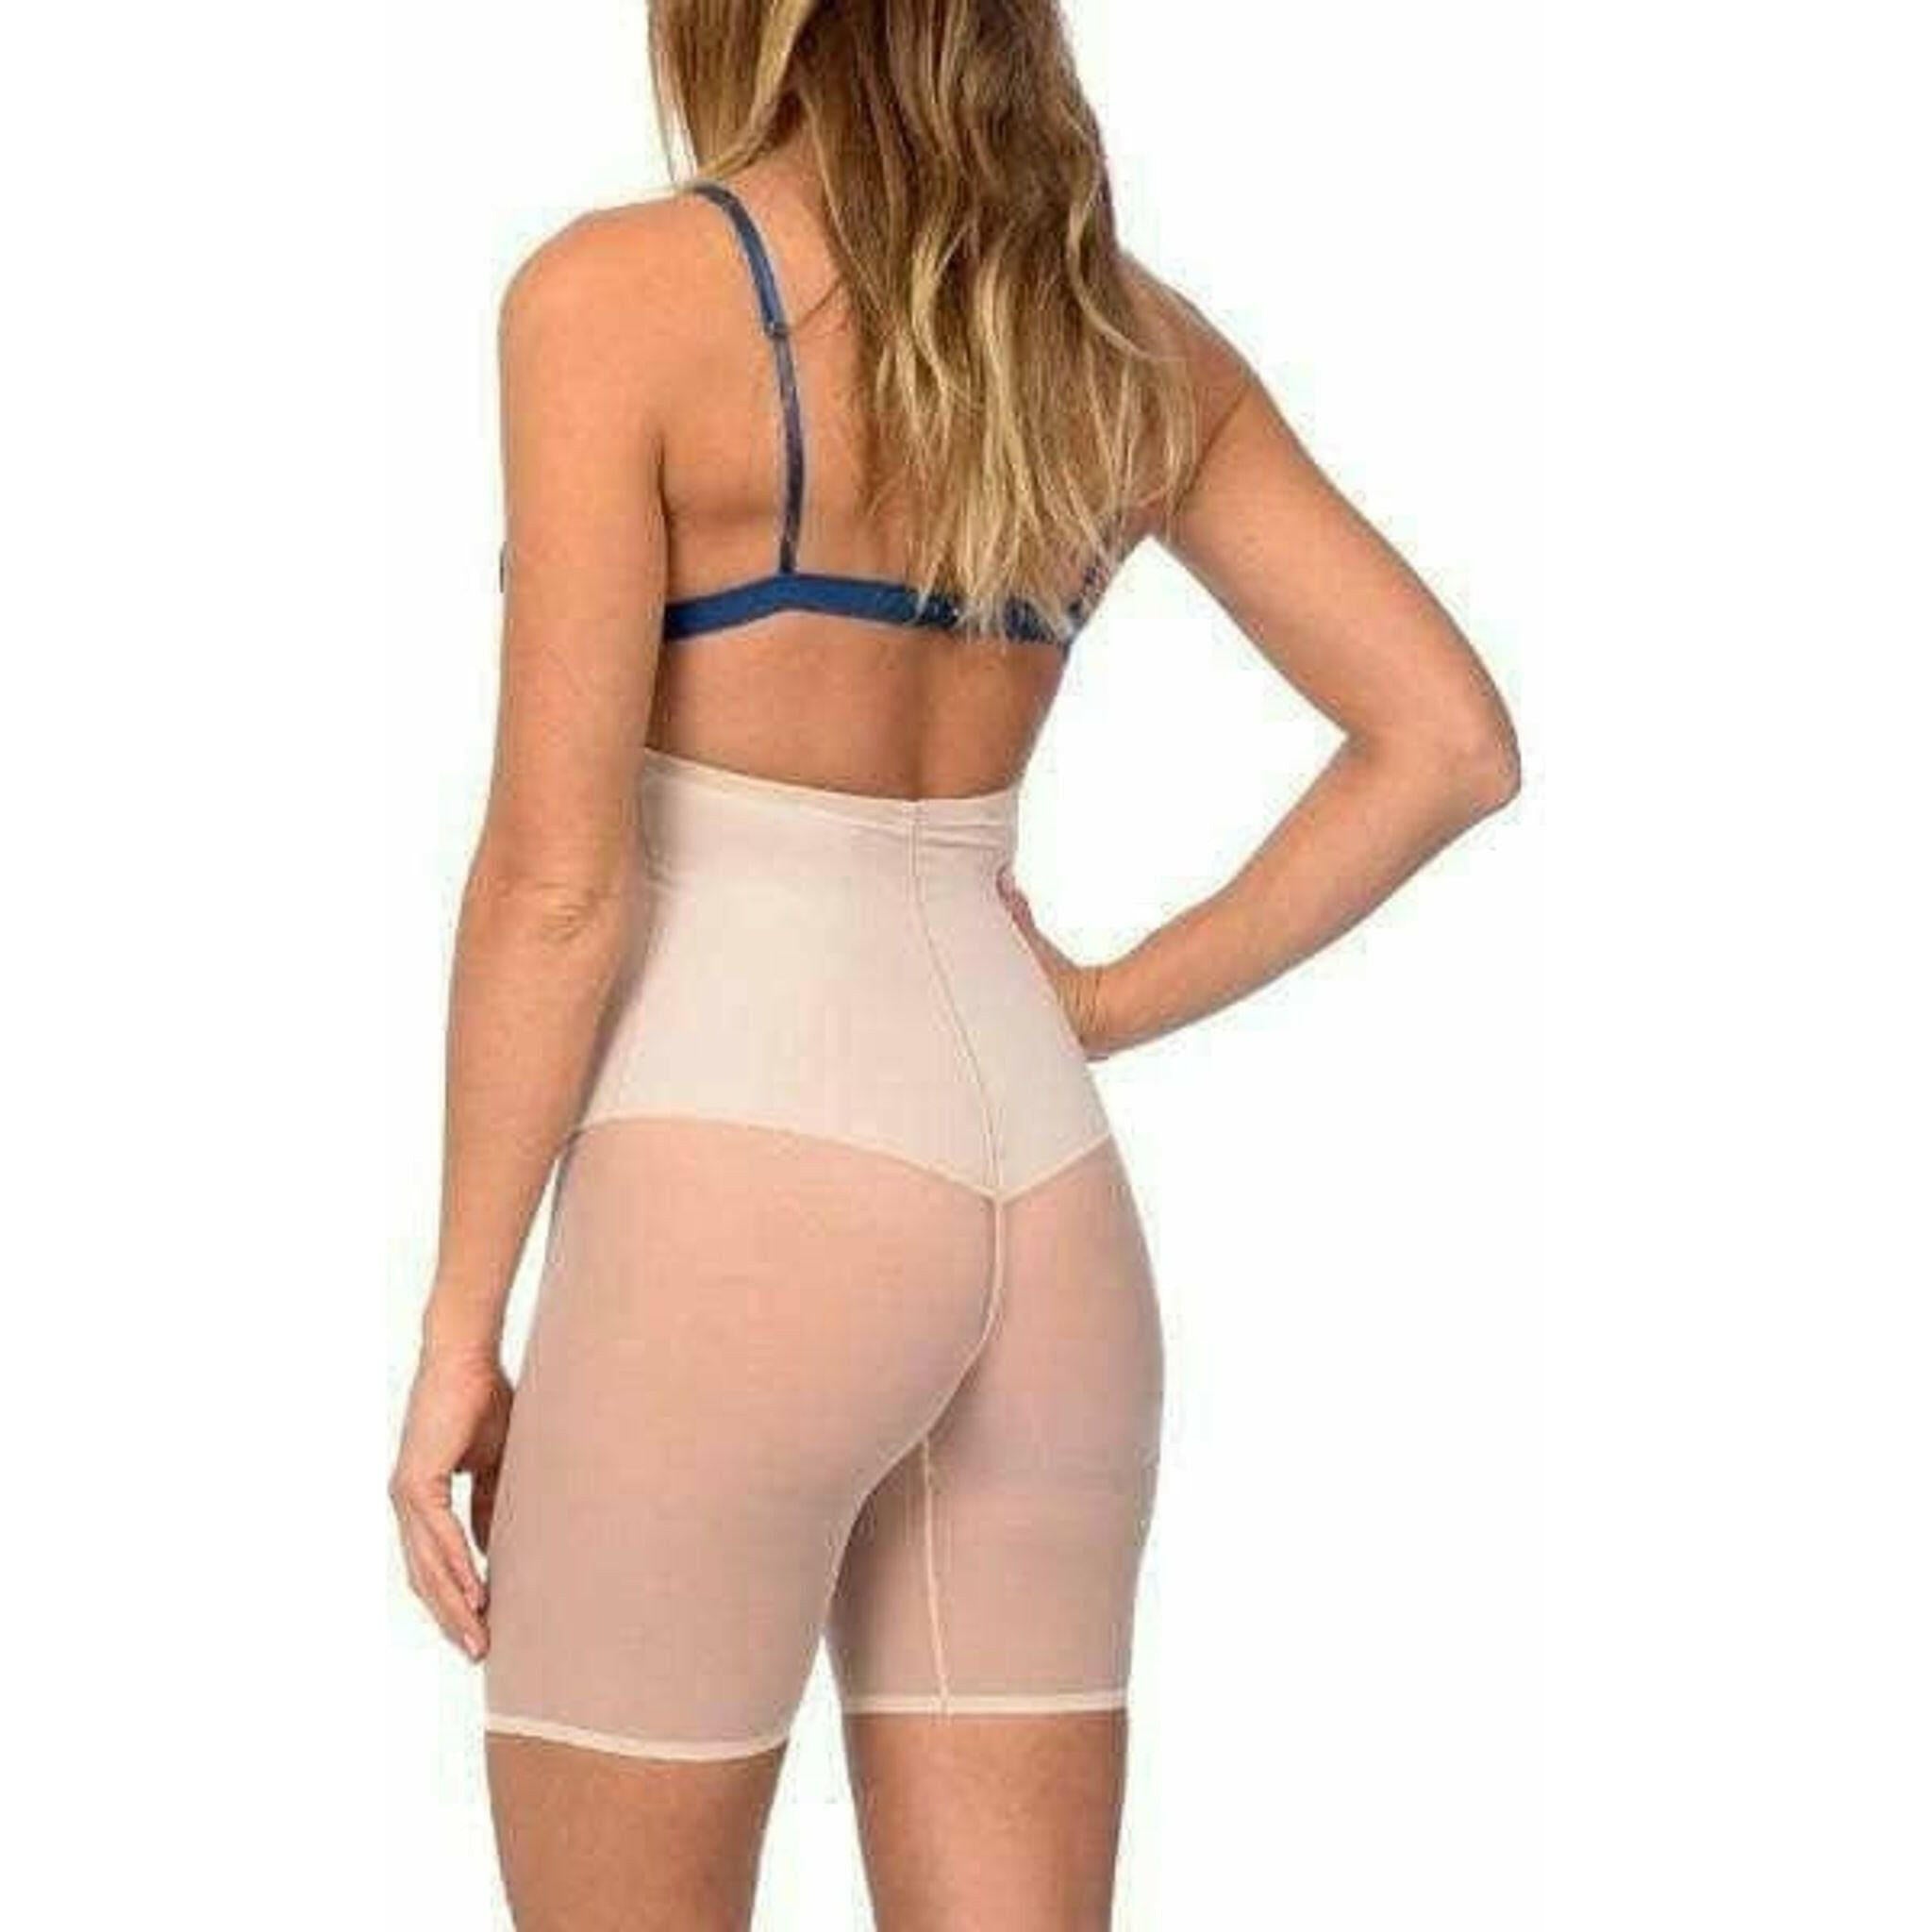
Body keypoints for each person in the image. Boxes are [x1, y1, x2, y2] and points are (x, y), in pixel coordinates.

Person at [391, 3, 1520, 1924]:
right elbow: (1448, 742)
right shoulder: (1120, 344)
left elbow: (556, 888)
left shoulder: (618, 300)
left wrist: (456, 1331)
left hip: (733, 1193)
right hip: (1042, 1197)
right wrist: (1097, 1004)